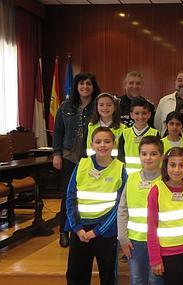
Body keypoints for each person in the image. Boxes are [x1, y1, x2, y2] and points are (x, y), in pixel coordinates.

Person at [65, 127, 127, 285]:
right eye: (98, 142)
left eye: (107, 141)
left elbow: (120, 206)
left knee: (107, 276)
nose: (102, 145)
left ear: (114, 144)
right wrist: (77, 228)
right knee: (76, 275)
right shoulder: (82, 165)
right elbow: (70, 198)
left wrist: (97, 231)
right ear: (92, 144)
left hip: (105, 232)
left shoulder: (120, 169)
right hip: (79, 229)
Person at [53, 72, 100, 248]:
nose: (85, 87)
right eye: (81, 84)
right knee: (68, 196)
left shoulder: (98, 106)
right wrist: (56, 153)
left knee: (87, 196)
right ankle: (65, 231)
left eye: (88, 84)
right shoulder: (66, 106)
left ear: (93, 86)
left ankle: (86, 229)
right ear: (76, 87)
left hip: (90, 159)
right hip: (68, 157)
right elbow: (58, 131)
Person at [147, 147, 183, 285]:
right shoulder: (156, 191)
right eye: (172, 165)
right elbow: (151, 228)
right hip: (167, 254)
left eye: (181, 165)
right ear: (165, 166)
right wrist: (155, 259)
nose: (177, 170)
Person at [117, 136, 164, 285]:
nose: (148, 158)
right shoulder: (131, 178)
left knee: (156, 280)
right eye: (144, 154)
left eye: (153, 154)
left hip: (160, 242)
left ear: (161, 156)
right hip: (135, 242)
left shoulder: (166, 180)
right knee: (138, 280)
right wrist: (122, 238)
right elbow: (122, 209)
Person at [118, 98, 160, 174]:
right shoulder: (125, 133)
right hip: (129, 176)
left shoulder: (155, 134)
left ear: (149, 114)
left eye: (144, 113)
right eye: (137, 113)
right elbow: (120, 157)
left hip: (149, 175)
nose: (140, 117)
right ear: (131, 115)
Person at [85, 93, 126, 157]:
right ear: (96, 107)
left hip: (115, 165)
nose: (105, 108)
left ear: (115, 107)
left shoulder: (123, 128)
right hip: (93, 165)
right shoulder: (90, 127)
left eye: (109, 105)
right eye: (101, 105)